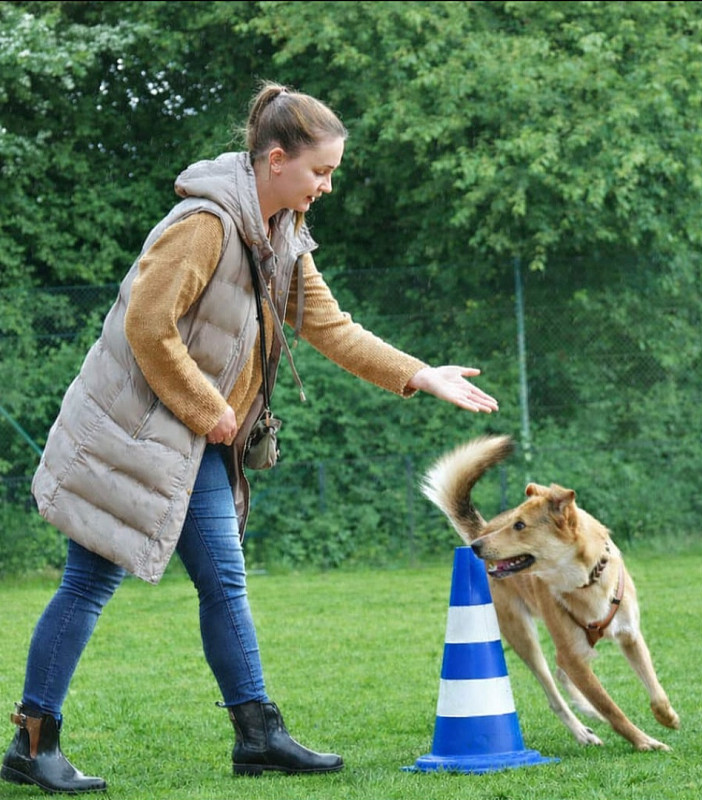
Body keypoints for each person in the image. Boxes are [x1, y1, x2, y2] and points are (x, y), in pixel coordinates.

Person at [1, 80, 499, 794]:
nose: (327, 186)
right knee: (89, 581)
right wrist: (209, 407)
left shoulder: (283, 236)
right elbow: (146, 323)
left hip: (195, 440)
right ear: (275, 160)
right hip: (130, 434)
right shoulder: (203, 224)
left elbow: (330, 327)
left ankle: (258, 736)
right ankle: (32, 742)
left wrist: (420, 374)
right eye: (320, 171)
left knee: (225, 580)